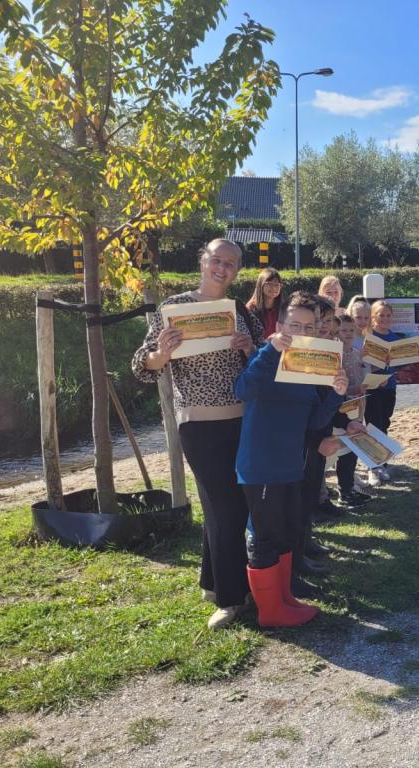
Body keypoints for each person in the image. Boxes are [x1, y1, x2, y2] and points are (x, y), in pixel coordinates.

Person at [132, 239, 262, 630]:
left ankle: (213, 582)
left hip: (243, 418)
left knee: (225, 503)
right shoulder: (173, 309)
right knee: (226, 506)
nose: (222, 268)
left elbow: (261, 364)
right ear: (202, 261)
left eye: (231, 263)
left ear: (238, 270)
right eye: (216, 260)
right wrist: (162, 354)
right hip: (197, 421)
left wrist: (248, 348)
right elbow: (142, 367)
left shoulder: (240, 310)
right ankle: (232, 598)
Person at [233, 292, 348, 627]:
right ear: (281, 325)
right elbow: (243, 390)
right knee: (265, 536)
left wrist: (336, 396)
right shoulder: (266, 358)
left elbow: (313, 420)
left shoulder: (308, 366)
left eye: (308, 326)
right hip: (260, 464)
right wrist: (270, 350)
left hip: (289, 465)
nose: (301, 330)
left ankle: (283, 599)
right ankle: (270, 612)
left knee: (284, 531)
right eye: (294, 324)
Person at [335, 315, 371, 507]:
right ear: (336, 332)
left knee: (355, 447)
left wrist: (366, 386)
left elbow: (362, 376)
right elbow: (336, 386)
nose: (348, 334)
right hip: (343, 408)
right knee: (344, 450)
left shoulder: (358, 352)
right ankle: (344, 491)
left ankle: (350, 489)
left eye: (351, 330)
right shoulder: (336, 355)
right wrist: (350, 390)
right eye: (343, 330)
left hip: (358, 405)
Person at [366, 300, 402, 485]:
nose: (385, 319)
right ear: (373, 317)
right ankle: (372, 467)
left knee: (385, 424)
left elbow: (401, 363)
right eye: (381, 315)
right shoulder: (368, 337)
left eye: (388, 315)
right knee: (373, 426)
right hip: (372, 389)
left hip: (390, 388)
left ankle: (382, 464)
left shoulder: (395, 338)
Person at [246, 267, 283, 339]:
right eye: (269, 284)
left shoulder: (283, 308)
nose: (274, 288)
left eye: (277, 285)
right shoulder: (250, 309)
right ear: (261, 285)